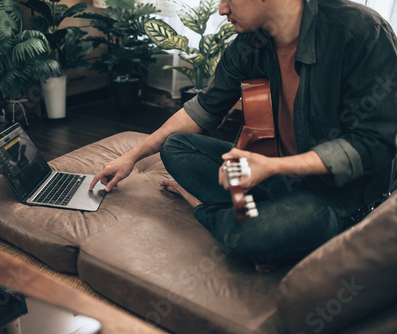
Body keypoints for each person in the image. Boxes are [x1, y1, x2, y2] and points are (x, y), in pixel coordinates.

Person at [89, 0, 397, 272]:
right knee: (176, 147)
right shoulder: (249, 45)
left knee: (252, 236)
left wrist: (274, 166)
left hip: (341, 199)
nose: (222, 9)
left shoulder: (360, 32)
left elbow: (372, 144)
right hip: (276, 179)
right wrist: (131, 156)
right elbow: (202, 110)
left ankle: (201, 205)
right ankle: (265, 215)